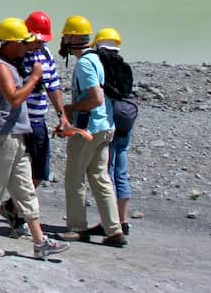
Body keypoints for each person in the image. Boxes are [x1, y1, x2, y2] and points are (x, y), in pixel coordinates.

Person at [0, 17, 69, 260]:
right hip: (4, 136)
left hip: (16, 135)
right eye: (23, 43)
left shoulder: (11, 63)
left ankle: (40, 241)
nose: (27, 47)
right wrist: (35, 77)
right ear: (11, 43)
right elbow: (14, 98)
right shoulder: (0, 67)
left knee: (24, 189)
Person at [0, 11, 70, 236]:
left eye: (42, 40)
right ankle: (19, 218)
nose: (39, 43)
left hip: (38, 121)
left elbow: (53, 85)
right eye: (36, 39)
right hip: (20, 122)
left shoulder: (46, 54)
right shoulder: (16, 58)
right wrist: (34, 78)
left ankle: (12, 207)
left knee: (40, 171)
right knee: (20, 171)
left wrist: (62, 114)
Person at [58, 15, 127, 247]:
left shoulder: (85, 63)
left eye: (67, 36)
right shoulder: (98, 58)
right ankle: (114, 229)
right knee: (100, 178)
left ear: (74, 37)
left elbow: (95, 98)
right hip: (106, 127)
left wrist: (70, 108)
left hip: (88, 129)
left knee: (75, 177)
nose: (64, 40)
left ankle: (77, 227)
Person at [95, 27, 134, 236]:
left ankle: (110, 223)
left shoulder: (100, 65)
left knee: (106, 171)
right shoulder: (124, 67)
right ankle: (123, 220)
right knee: (121, 172)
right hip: (125, 123)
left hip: (109, 122)